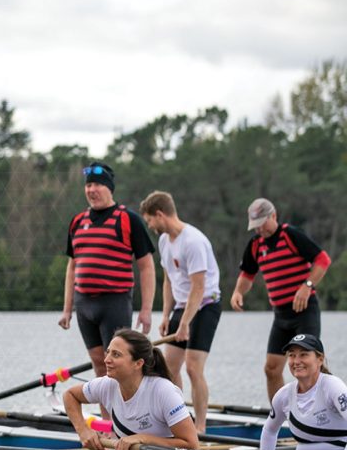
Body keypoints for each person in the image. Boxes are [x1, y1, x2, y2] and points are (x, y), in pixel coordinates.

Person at [62, 328, 200, 450]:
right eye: (108, 352)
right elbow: (70, 395)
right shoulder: (106, 385)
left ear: (138, 363)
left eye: (116, 355)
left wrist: (143, 438)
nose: (106, 359)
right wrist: (83, 431)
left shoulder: (163, 391)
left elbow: (192, 446)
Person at [59, 162, 156, 378]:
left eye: (98, 185)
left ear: (109, 188)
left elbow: (147, 266)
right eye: (88, 185)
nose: (92, 190)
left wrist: (146, 310)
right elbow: (72, 266)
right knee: (99, 364)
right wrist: (67, 309)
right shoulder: (77, 222)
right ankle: (107, 413)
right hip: (84, 304)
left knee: (119, 366)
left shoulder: (128, 219)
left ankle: (127, 411)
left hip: (115, 303)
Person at [231, 198, 331, 401]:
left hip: (305, 311)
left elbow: (322, 260)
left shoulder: (290, 235)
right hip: (281, 315)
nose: (259, 230)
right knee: (271, 369)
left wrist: (307, 286)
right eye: (255, 226)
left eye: (262, 224)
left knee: (310, 364)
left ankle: (322, 409)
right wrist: (238, 292)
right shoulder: (255, 244)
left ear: (273, 216)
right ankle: (280, 416)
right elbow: (247, 275)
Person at [139, 191, 222, 433]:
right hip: (182, 306)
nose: (150, 226)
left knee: (193, 367)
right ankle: (178, 420)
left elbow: (199, 286)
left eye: (150, 221)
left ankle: (200, 427)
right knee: (168, 368)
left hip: (206, 305)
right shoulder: (165, 241)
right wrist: (166, 315)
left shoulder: (193, 241)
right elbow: (168, 280)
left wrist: (185, 322)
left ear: (160, 214)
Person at [260, 335, 347, 450]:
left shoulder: (333, 387)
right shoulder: (284, 395)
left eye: (303, 355)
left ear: (320, 359)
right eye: (292, 355)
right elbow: (269, 430)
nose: (296, 361)